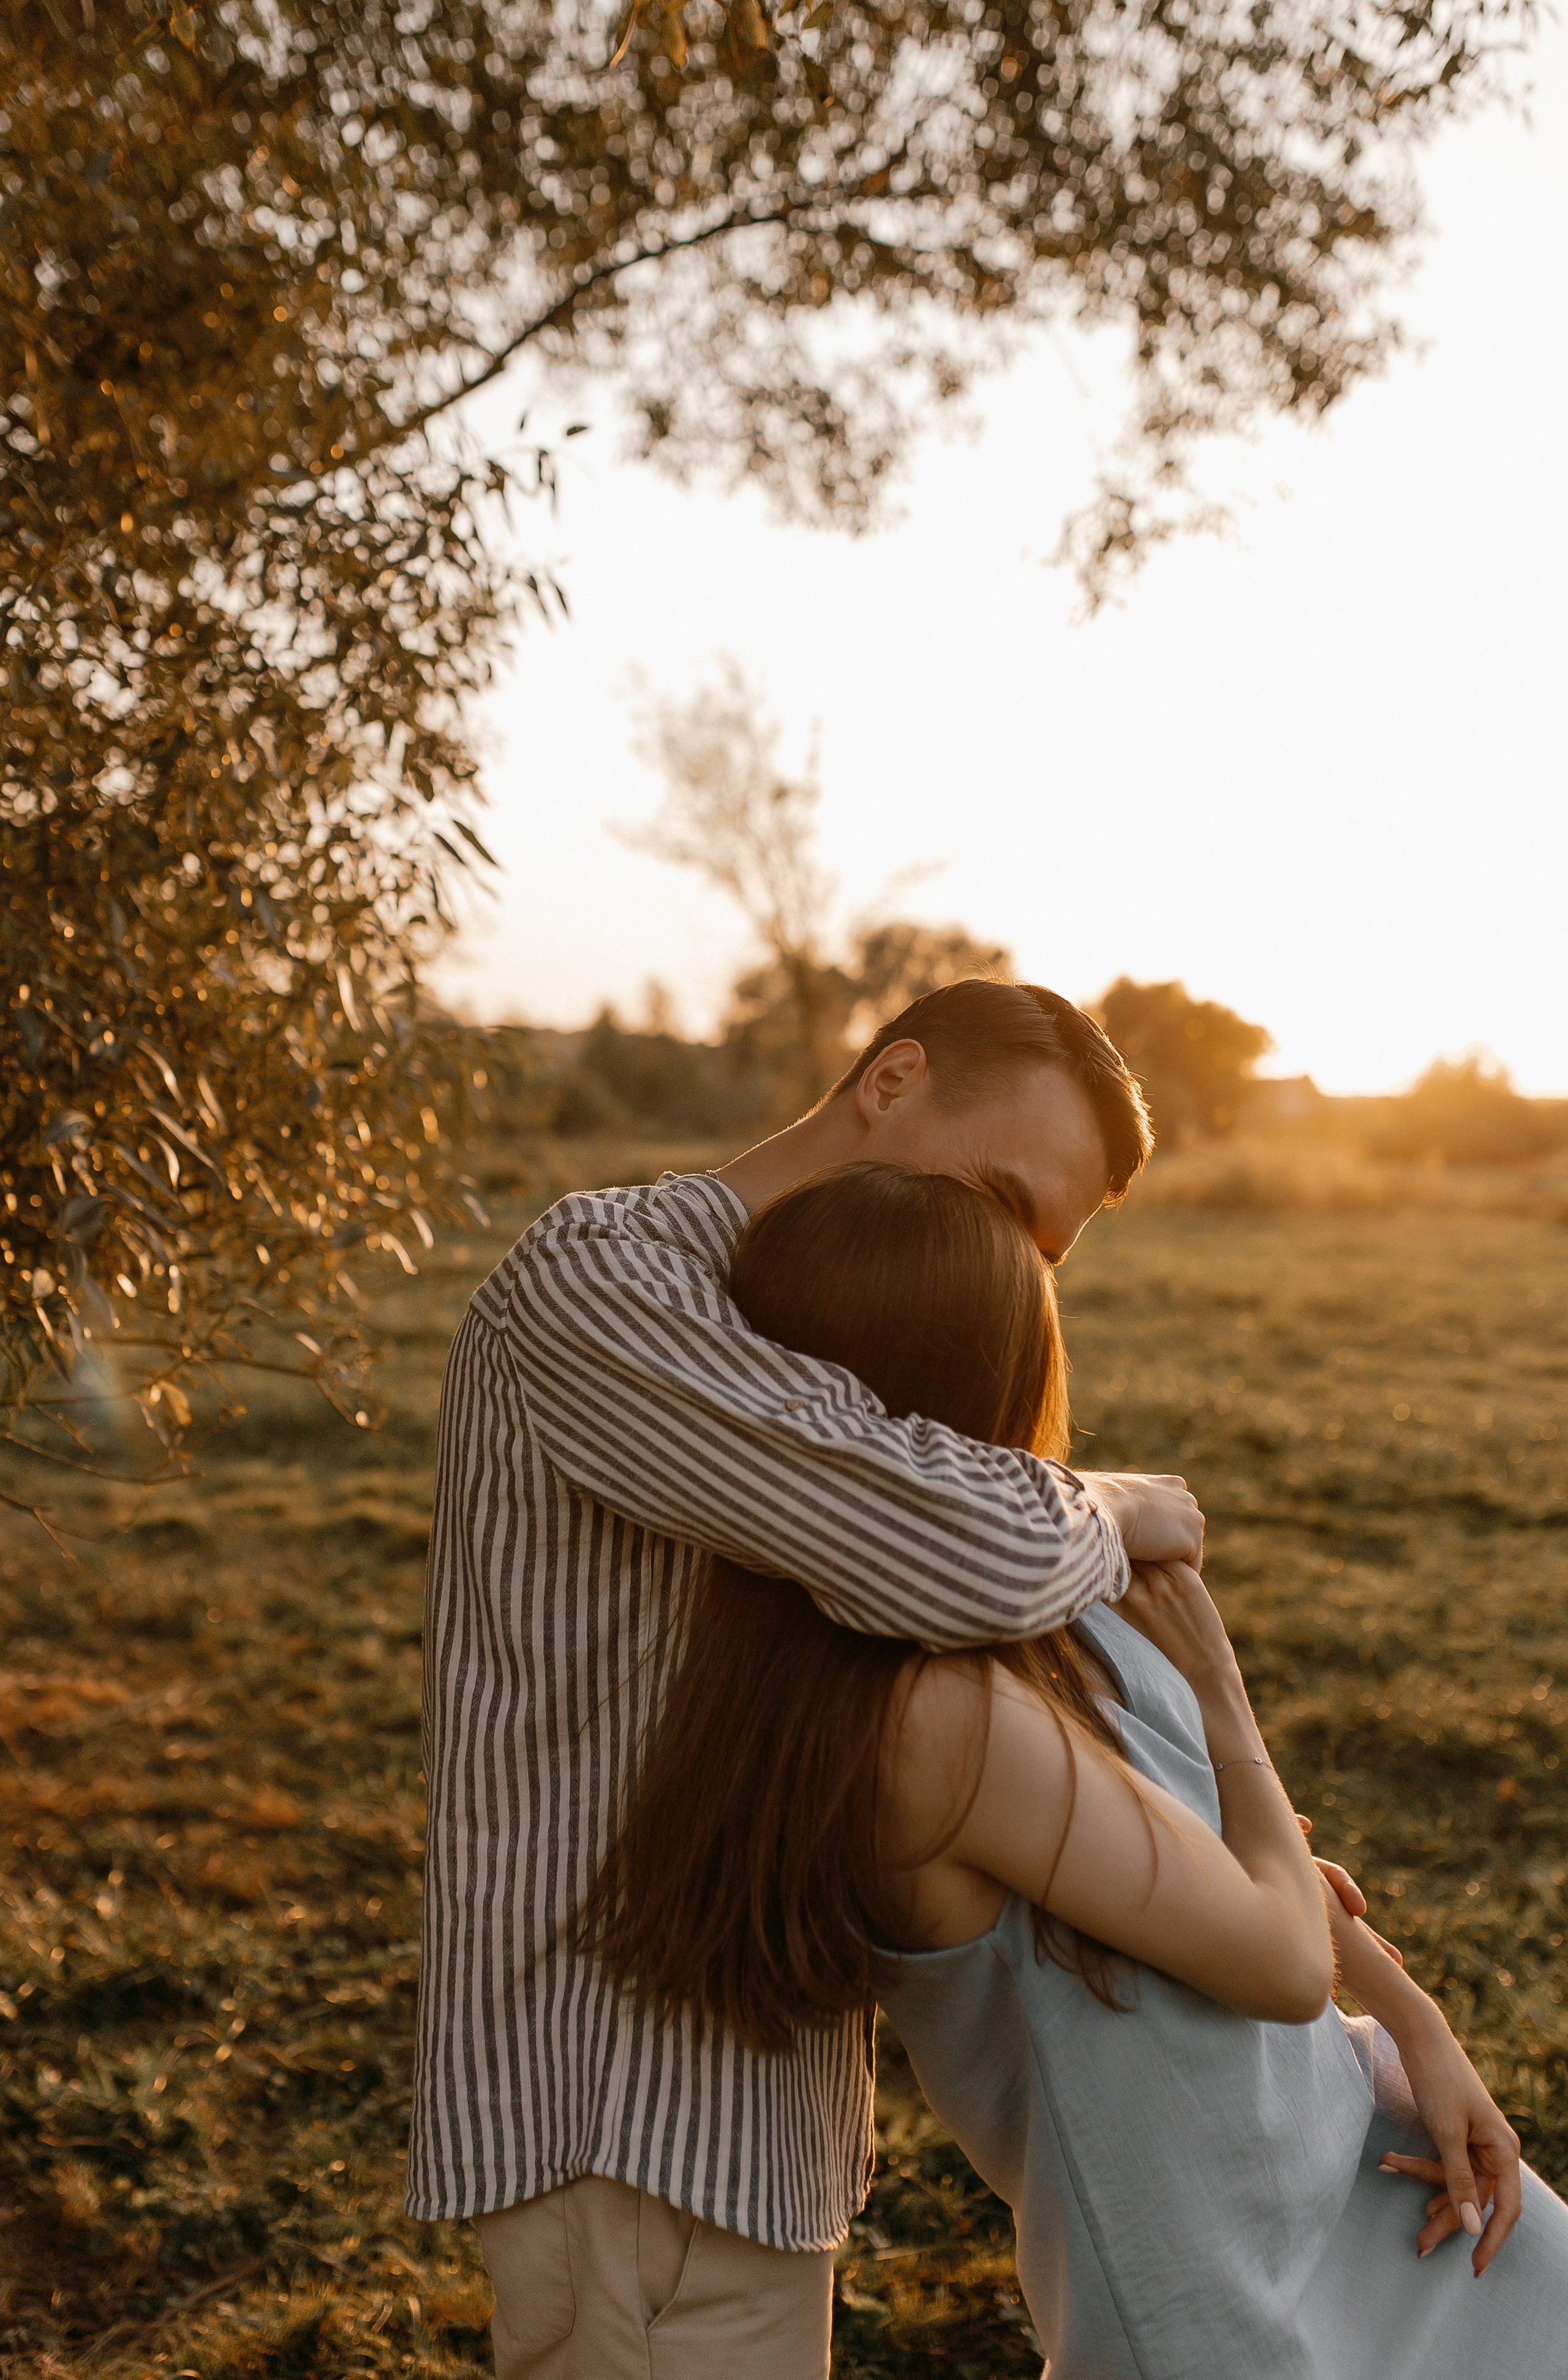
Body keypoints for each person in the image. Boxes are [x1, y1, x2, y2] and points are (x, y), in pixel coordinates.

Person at [592, 1160, 1568, 2378]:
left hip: (1364, 2149)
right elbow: (1266, 1951)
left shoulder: (1039, 1586)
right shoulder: (924, 1715)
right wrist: (1224, 1701)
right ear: (997, 1373)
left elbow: (1222, 1851)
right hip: (1229, 2293)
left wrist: (1411, 2026)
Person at [407, 979, 1204, 2378]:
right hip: (618, 2116)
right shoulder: (601, 1285)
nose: (1004, 1259)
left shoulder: (826, 1353)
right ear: (889, 1081)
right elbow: (953, 1545)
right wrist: (1116, 1501)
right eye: (996, 1193)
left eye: (1040, 1244)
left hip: (745, 2111)